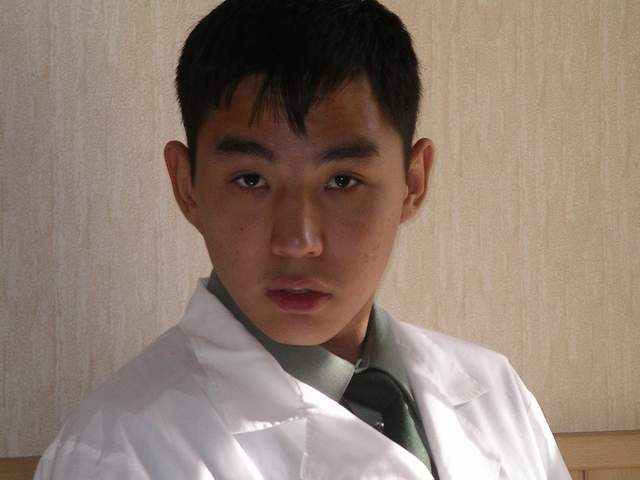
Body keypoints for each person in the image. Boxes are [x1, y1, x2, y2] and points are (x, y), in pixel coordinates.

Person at [34, 0, 571, 478]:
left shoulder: (496, 394)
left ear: (412, 183)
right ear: (187, 185)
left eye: (342, 181)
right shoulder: (120, 453)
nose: (297, 241)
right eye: (251, 180)